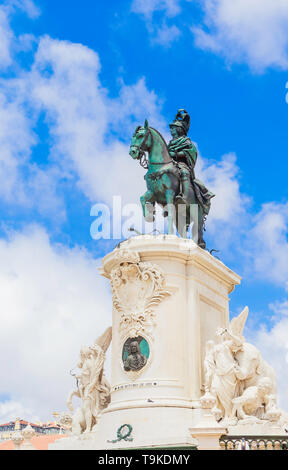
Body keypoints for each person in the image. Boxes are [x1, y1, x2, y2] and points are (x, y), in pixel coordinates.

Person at [168, 109, 214, 216]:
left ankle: (183, 197)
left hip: (182, 165)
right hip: (171, 164)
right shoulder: (170, 143)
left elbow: (191, 153)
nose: (171, 131)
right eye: (171, 129)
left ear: (179, 130)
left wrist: (176, 154)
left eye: (173, 129)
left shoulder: (186, 142)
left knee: (184, 172)